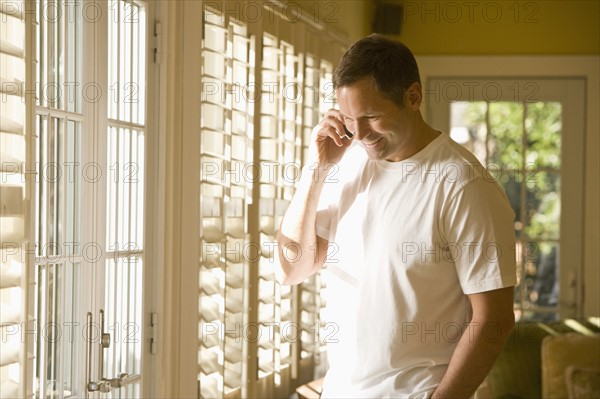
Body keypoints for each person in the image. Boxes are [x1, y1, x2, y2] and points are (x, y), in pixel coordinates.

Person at [276, 34, 517, 398]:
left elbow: (494, 319)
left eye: (371, 116)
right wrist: (317, 168)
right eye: (350, 120)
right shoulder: (351, 164)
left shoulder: (463, 185)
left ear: (413, 97)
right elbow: (290, 268)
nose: (361, 134)